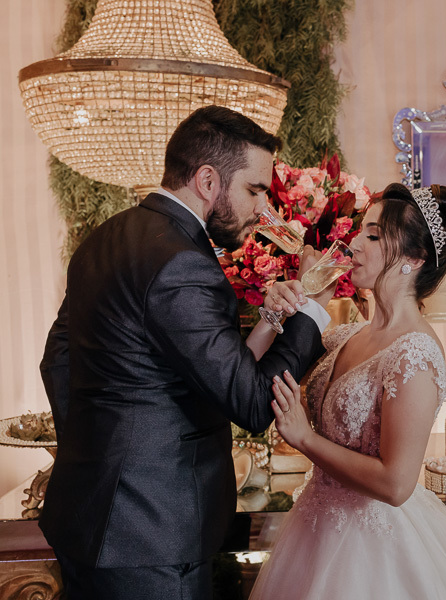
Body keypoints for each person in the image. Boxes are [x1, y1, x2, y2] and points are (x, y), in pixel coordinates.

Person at [39, 105, 332, 600]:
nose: (264, 209)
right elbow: (252, 404)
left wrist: (94, 453)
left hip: (83, 514)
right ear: (207, 180)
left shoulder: (104, 239)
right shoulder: (182, 262)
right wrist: (314, 310)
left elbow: (58, 360)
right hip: (150, 533)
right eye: (255, 190)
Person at [249, 183, 446, 599]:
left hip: (371, 551)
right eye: (361, 231)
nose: (355, 244)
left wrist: (305, 439)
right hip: (312, 530)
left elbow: (396, 484)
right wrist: (275, 312)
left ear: (414, 258)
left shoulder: (415, 353)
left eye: (374, 236)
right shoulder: (343, 336)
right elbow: (251, 381)